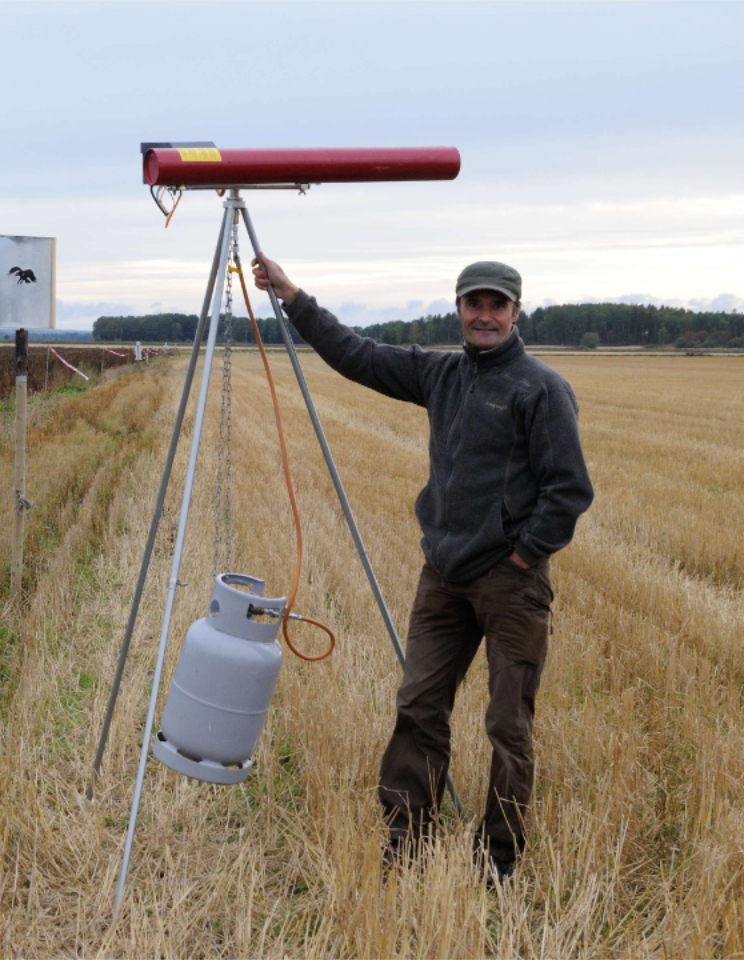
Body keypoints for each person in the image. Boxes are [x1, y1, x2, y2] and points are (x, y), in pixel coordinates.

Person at [251, 256, 594, 885]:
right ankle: (406, 837)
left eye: (497, 306)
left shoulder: (539, 388)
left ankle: (499, 856)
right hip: (443, 577)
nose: (484, 316)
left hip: (511, 585)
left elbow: (569, 491)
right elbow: (355, 353)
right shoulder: (440, 373)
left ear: (516, 313)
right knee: (418, 705)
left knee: (508, 724)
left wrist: (521, 554)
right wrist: (293, 297)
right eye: (474, 304)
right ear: (459, 309)